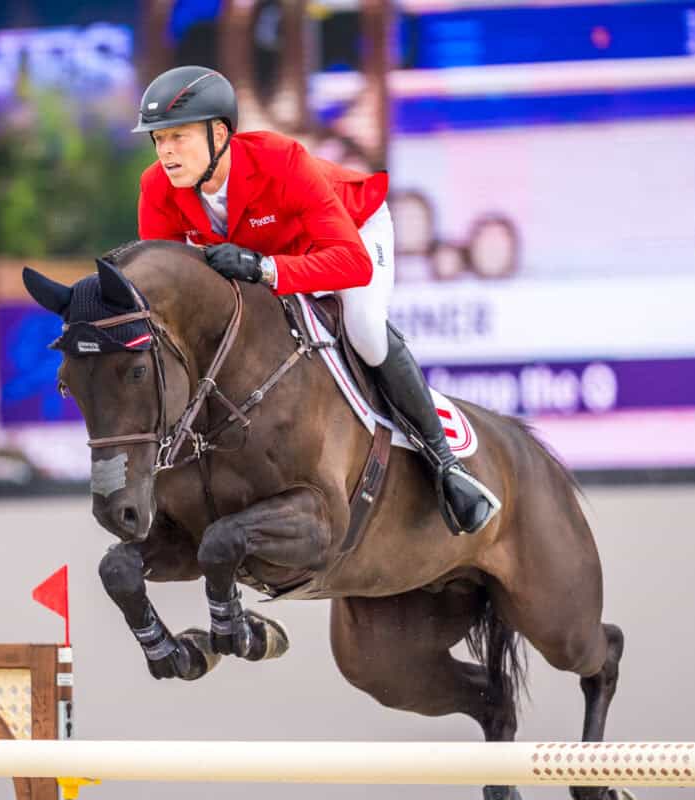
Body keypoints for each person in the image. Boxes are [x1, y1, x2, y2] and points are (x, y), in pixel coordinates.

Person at [132, 66, 498, 535]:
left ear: (218, 134)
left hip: (354, 233)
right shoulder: (156, 189)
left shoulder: (279, 161)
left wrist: (265, 269)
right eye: (158, 139)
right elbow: (169, 290)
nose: (165, 152)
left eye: (177, 137)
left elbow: (351, 263)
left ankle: (446, 466)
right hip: (272, 259)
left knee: (364, 328)